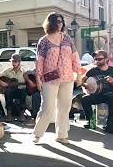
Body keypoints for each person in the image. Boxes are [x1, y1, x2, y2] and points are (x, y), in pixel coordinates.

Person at [32, 12, 81, 144]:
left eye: (61, 22)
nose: (60, 24)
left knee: (65, 107)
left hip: (67, 77)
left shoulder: (67, 39)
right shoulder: (43, 41)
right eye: (57, 21)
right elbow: (39, 61)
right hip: (49, 78)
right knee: (47, 107)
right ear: (51, 23)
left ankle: (62, 135)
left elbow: (75, 56)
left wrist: (79, 74)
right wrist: (38, 78)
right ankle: (37, 134)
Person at [81, 50, 113, 129]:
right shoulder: (93, 71)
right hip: (97, 95)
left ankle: (110, 123)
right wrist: (86, 85)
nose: (97, 61)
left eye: (99, 59)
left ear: (106, 59)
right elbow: (82, 80)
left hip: (110, 94)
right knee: (85, 99)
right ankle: (91, 121)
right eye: (96, 59)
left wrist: (112, 82)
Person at [0, 54, 35, 122]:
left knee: (23, 92)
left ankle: (22, 113)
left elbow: (28, 82)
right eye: (12, 61)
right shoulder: (8, 70)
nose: (13, 63)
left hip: (20, 91)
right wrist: (1, 82)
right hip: (10, 91)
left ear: (19, 62)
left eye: (15, 62)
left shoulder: (24, 71)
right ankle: (9, 113)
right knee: (8, 92)